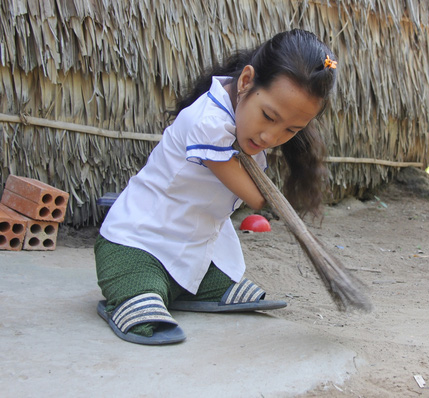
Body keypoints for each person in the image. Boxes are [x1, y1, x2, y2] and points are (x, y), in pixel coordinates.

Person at [94, 29, 338, 345]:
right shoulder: (208, 123)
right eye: (268, 116)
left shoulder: (241, 118)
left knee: (224, 278)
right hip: (138, 243)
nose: (270, 137)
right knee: (140, 293)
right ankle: (138, 291)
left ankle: (179, 289)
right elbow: (256, 197)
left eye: (291, 130)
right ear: (246, 81)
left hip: (192, 248)